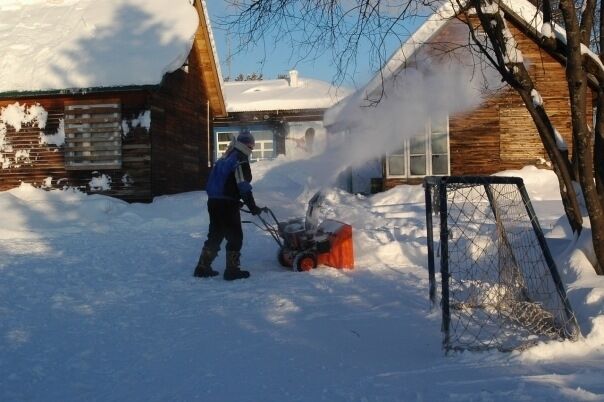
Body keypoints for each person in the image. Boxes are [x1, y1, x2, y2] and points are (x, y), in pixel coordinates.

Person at [194, 129, 264, 281]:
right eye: (252, 146)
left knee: (215, 234)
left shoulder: (225, 157)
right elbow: (243, 185)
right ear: (248, 145)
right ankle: (232, 270)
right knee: (235, 236)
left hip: (213, 202)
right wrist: (252, 206)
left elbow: (218, 182)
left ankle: (202, 267)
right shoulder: (240, 159)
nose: (252, 150)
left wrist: (231, 200)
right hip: (226, 203)